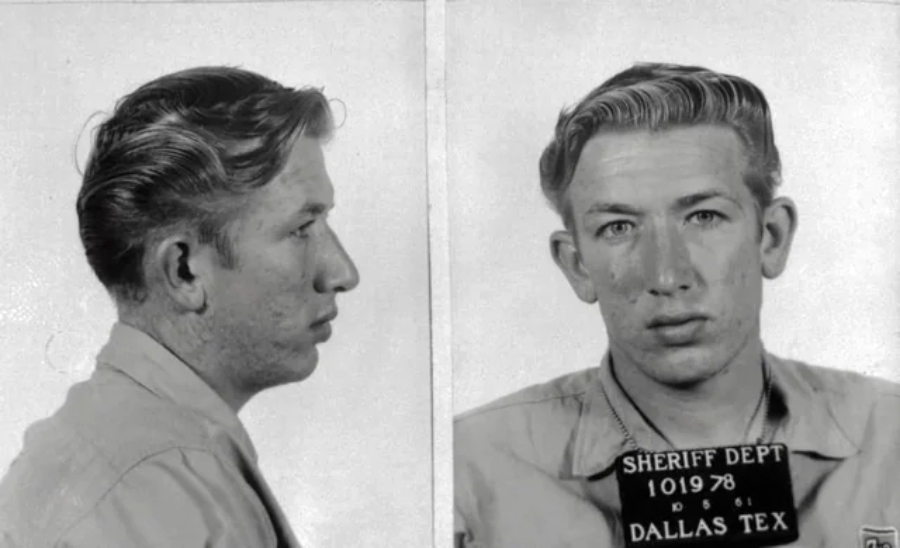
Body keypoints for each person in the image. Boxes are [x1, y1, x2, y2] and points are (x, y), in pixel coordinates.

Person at [454, 63, 900, 548]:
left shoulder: (891, 440)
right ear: (577, 265)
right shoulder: (464, 470)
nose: (667, 276)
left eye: (703, 216)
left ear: (771, 237)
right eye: (619, 227)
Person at [0, 66, 359, 546]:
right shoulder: (159, 486)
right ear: (185, 271)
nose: (341, 273)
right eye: (301, 229)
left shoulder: (121, 451)